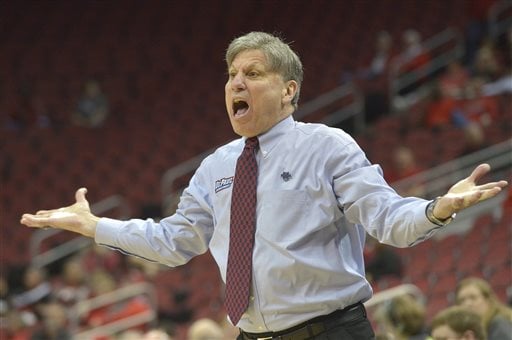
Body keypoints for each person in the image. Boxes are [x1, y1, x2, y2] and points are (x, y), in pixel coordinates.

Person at [20, 32, 508, 340]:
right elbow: (171, 243)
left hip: (331, 331)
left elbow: (388, 218)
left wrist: (438, 208)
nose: (236, 84)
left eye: (253, 74)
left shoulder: (327, 146)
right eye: (232, 75)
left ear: (289, 90)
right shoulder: (215, 167)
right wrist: (95, 226)